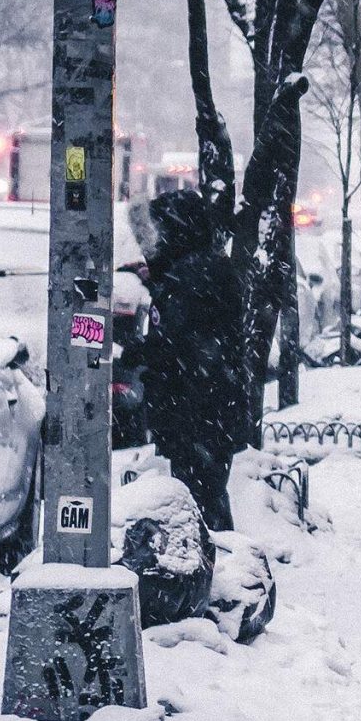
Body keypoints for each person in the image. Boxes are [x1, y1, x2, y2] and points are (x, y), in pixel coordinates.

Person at [138, 190, 243, 530]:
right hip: (208, 412)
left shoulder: (189, 277)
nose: (155, 237)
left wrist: (138, 352)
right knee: (207, 496)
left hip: (194, 413)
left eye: (161, 229)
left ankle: (222, 571)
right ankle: (223, 565)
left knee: (200, 503)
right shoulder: (205, 267)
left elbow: (172, 341)